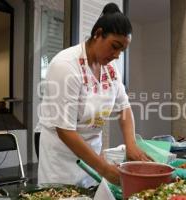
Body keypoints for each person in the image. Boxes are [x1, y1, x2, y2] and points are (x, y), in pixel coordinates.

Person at [37, 3, 151, 187]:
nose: (116, 55)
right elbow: (65, 130)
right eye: (114, 46)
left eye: (122, 50)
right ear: (98, 34)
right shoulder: (66, 65)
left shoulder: (111, 68)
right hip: (61, 158)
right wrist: (104, 169)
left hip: (92, 156)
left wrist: (131, 146)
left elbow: (124, 108)